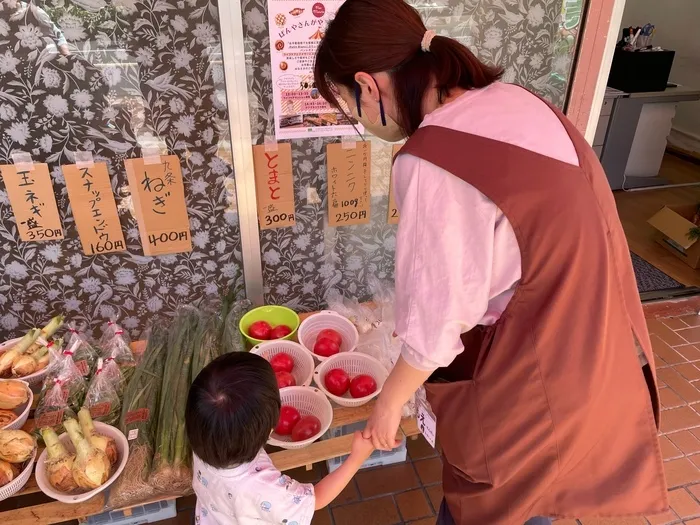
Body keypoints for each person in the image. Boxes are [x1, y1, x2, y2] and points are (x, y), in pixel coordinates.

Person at [313, 1, 668, 524]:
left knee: (499, 503)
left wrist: (390, 401)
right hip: (597, 349)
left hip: (532, 377)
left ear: (368, 85)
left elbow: (437, 320)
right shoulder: (513, 101)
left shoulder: (433, 160)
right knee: (539, 498)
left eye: (346, 105)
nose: (358, 121)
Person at [185, 352, 375, 525]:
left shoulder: (204, 438)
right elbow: (317, 498)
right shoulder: (263, 488)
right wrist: (356, 458)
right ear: (269, 431)